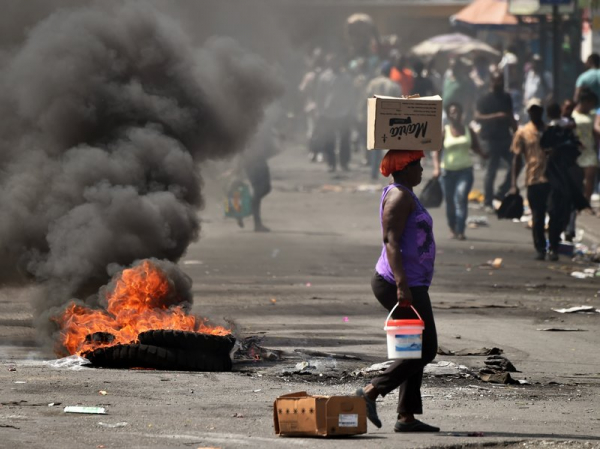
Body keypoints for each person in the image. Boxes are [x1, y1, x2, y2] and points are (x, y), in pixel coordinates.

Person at [356, 150, 439, 433]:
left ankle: (406, 416)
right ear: (404, 168)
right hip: (398, 283)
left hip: (411, 282)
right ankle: (370, 392)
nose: (422, 170)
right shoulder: (400, 196)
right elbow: (391, 241)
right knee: (425, 348)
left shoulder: (405, 192)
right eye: (418, 165)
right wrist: (402, 285)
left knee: (413, 349)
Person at [509, 99, 557, 260]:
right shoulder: (522, 132)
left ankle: (554, 247)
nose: (535, 113)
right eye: (532, 110)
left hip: (552, 178)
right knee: (538, 216)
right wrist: (513, 184)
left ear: (542, 111)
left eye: (538, 110)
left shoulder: (550, 130)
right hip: (533, 178)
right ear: (528, 112)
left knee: (554, 212)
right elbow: (516, 159)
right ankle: (540, 248)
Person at [433, 102, 487, 240]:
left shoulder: (469, 130)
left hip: (465, 171)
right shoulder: (444, 131)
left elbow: (476, 148)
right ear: (448, 115)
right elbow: (436, 151)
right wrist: (437, 168)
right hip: (447, 172)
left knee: (461, 197)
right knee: (450, 202)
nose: (454, 114)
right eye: (452, 112)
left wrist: (485, 155)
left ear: (461, 114)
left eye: (457, 111)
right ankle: (452, 228)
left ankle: (461, 229)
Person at [475, 71, 517, 211]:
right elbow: (477, 117)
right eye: (496, 80)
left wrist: (517, 133)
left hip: (505, 138)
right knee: (491, 170)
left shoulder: (506, 97)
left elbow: (510, 115)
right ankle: (488, 201)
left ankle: (500, 193)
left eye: (501, 81)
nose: (499, 83)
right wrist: (495, 116)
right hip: (490, 138)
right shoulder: (484, 98)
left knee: (516, 163)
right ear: (491, 81)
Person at [314, 54, 355, 172]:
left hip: (344, 112)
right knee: (329, 139)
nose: (334, 64)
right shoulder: (324, 77)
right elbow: (319, 95)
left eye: (336, 62)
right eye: (331, 62)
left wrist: (351, 110)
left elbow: (351, 95)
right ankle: (331, 163)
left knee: (345, 139)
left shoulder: (346, 77)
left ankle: (344, 163)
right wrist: (319, 110)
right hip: (328, 113)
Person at [365, 61, 402, 179]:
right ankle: (391, 170)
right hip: (389, 118)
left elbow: (367, 99)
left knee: (376, 146)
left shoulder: (372, 83)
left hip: (375, 116)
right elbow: (399, 103)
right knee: (391, 145)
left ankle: (374, 172)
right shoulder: (394, 85)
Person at [522, 55, 553, 121]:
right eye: (533, 62)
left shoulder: (546, 75)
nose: (535, 64)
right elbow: (526, 89)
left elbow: (551, 92)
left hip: (540, 108)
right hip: (529, 106)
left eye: (537, 62)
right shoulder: (528, 74)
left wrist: (545, 101)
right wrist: (525, 99)